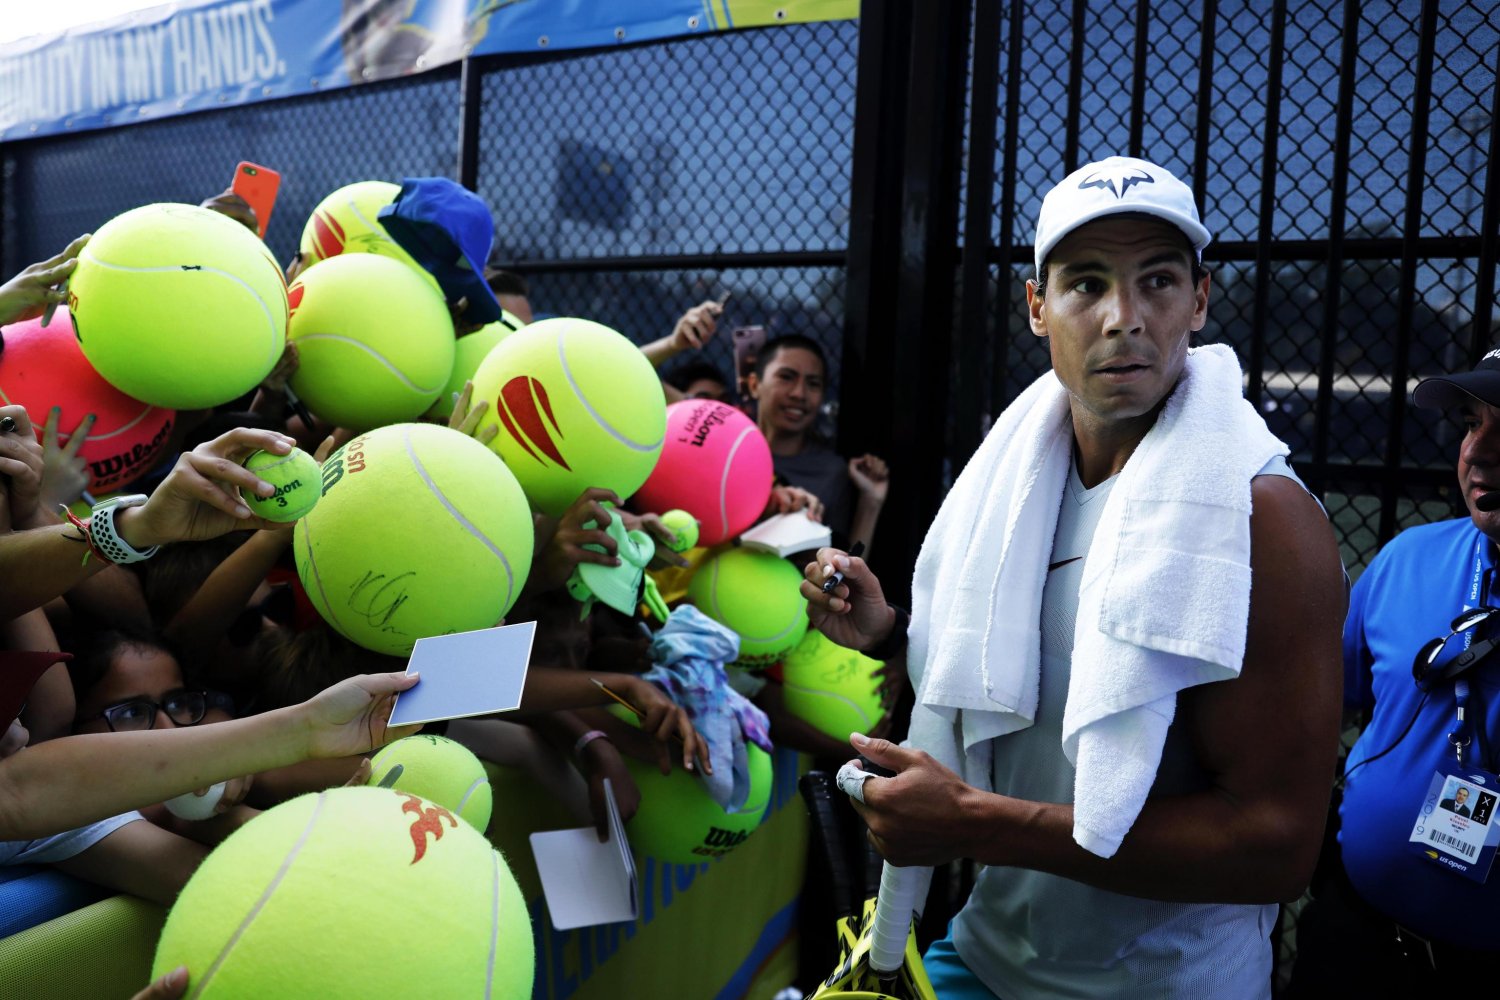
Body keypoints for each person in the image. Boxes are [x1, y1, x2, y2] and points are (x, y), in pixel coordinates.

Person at [802, 156, 1345, 998]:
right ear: (1035, 306)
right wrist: (896, 632)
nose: (1124, 318)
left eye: (1157, 281)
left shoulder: (1264, 518)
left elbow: (1275, 845)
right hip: (985, 955)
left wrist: (978, 823)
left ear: (1201, 299)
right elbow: (1033, 659)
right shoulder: (1015, 482)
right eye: (1086, 284)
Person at [1287, 351, 1500, 994]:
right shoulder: (1409, 557)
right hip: (1356, 935)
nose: (1478, 453)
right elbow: (1318, 712)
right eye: (1470, 423)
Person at [745, 334, 889, 551]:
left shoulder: (832, 473)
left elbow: (844, 572)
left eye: (813, 384)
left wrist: (871, 502)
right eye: (786, 377)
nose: (799, 393)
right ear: (755, 385)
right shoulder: (726, 449)